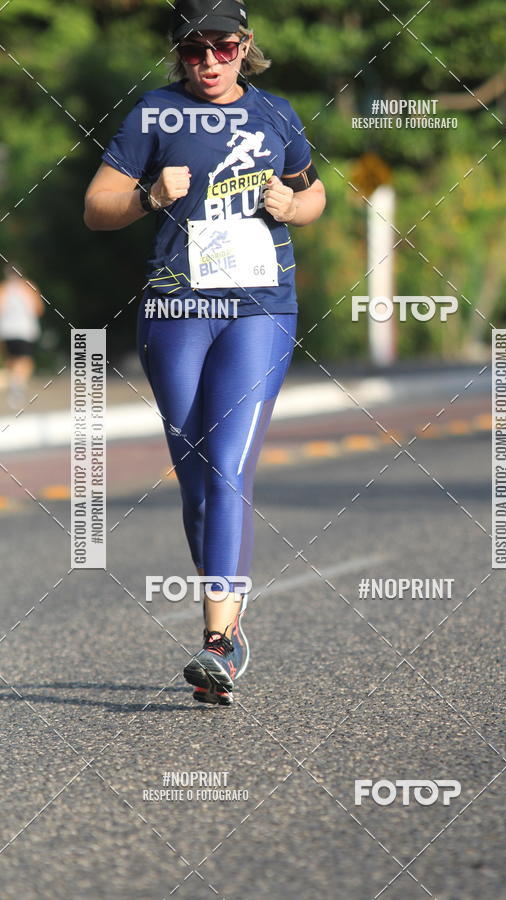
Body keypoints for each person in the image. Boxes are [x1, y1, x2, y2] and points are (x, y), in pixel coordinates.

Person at [84, 0, 326, 705]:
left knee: (226, 466)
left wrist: (291, 206)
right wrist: (148, 195)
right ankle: (228, 634)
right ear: (178, 55)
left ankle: (217, 642)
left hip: (259, 310)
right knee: (195, 478)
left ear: (244, 45)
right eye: (193, 50)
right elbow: (96, 207)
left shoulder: (275, 113)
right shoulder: (154, 114)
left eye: (222, 47)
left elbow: (315, 195)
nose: (209, 62)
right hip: (175, 311)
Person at [0, 263, 44, 409]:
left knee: (12, 360)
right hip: (24, 330)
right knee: (25, 360)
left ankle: (16, 385)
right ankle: (17, 387)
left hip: (7, 331)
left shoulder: (3, 288)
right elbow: (39, 309)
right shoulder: (29, 287)